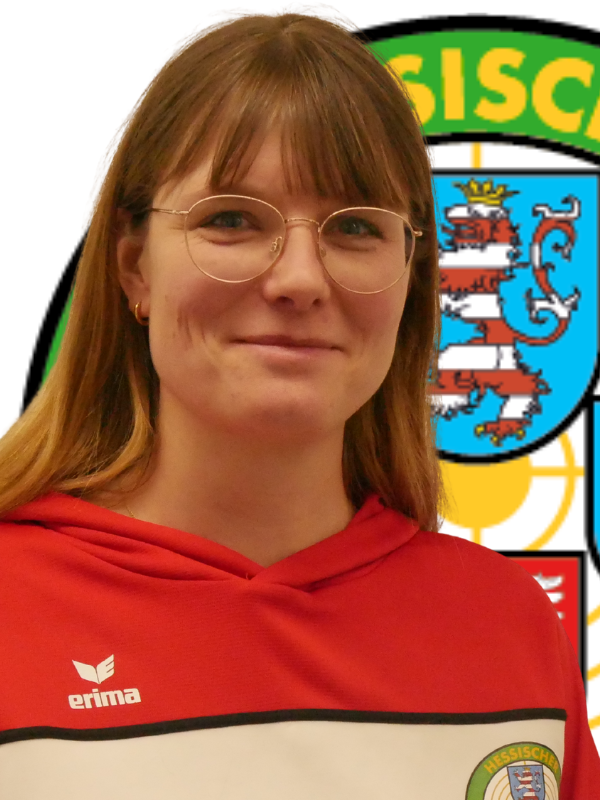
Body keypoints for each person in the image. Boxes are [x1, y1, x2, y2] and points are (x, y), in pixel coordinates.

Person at [0, 12, 597, 799]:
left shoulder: (507, 627)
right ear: (134, 266)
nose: (300, 279)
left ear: (411, 280)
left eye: (356, 228)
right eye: (232, 220)